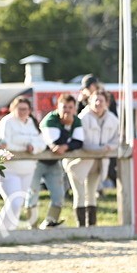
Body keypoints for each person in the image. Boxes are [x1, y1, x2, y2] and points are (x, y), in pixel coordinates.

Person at [66, 91, 120, 227]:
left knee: (91, 193)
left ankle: (92, 227)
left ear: (106, 103)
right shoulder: (82, 118)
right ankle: (81, 227)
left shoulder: (113, 119)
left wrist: (109, 147)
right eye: (95, 100)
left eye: (101, 101)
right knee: (79, 194)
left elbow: (117, 138)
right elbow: (82, 142)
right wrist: (101, 149)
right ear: (90, 102)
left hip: (98, 163)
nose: (98, 103)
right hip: (79, 161)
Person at [32, 93, 83, 230]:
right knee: (32, 194)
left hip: (54, 163)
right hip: (37, 162)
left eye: (70, 107)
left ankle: (49, 223)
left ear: (75, 109)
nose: (67, 110)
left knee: (59, 196)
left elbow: (78, 142)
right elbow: (55, 144)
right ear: (57, 107)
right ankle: (32, 228)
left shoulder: (76, 121)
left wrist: (66, 146)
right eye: (64, 107)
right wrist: (67, 129)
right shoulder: (51, 120)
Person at [0, 96, 47, 231]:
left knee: (19, 202)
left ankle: (10, 232)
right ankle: (0, 231)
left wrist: (33, 148)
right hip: (9, 169)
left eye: (25, 109)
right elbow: (5, 143)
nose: (23, 111)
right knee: (14, 201)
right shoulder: (7, 122)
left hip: (28, 169)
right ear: (12, 108)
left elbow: (42, 143)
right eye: (20, 109)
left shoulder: (32, 122)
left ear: (30, 110)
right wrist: (25, 147)